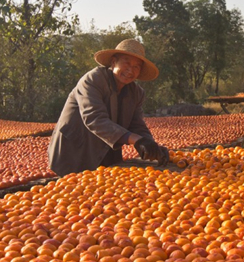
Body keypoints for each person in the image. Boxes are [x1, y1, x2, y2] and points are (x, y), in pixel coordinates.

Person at [48, 39, 169, 176]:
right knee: (73, 192)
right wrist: (137, 140)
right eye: (127, 63)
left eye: (136, 67)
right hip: (76, 151)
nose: (130, 70)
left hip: (107, 154)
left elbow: (137, 124)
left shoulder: (136, 93)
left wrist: (151, 145)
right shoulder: (93, 80)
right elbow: (95, 119)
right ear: (113, 62)